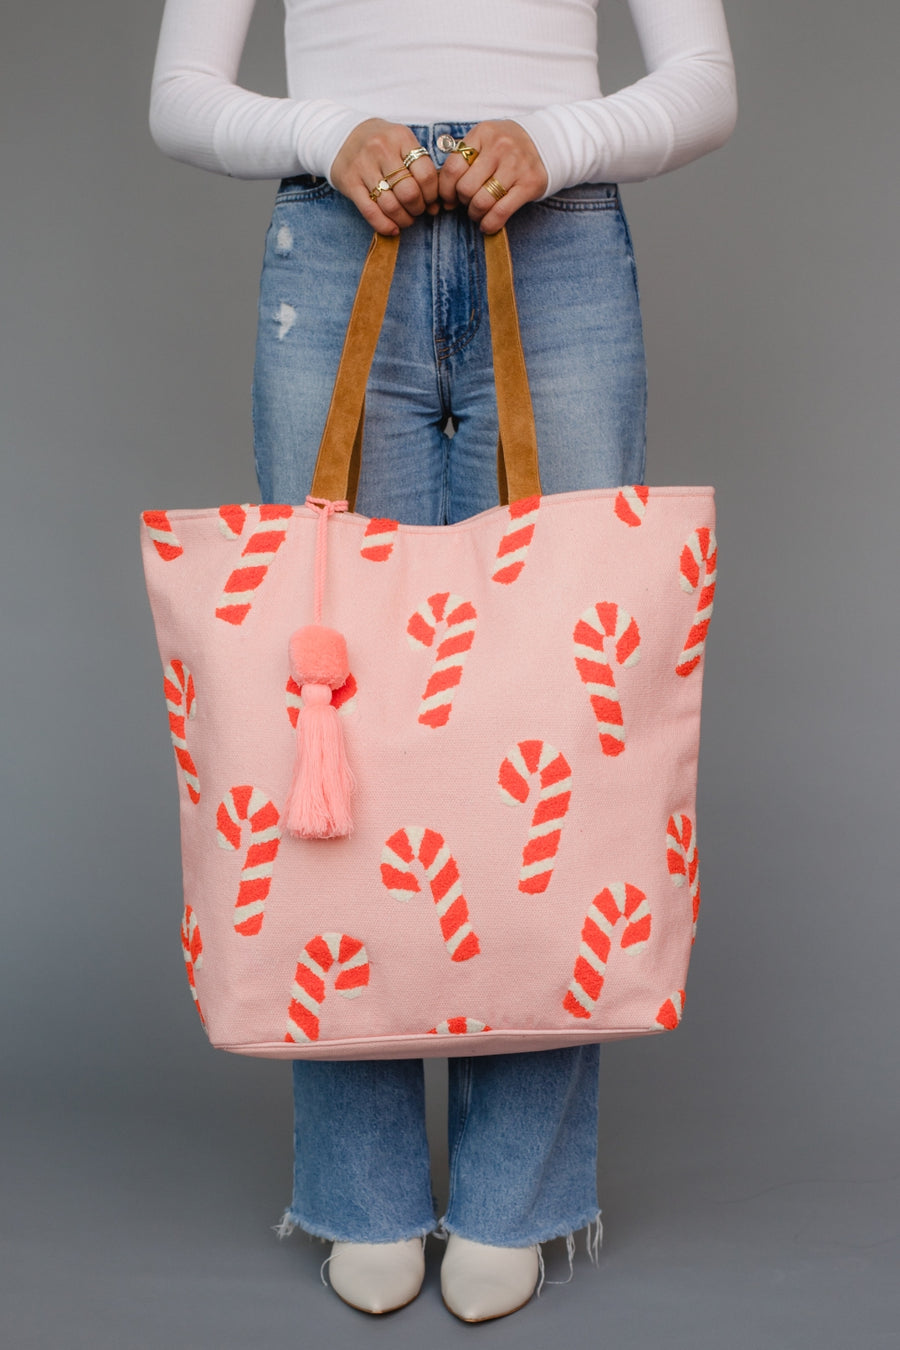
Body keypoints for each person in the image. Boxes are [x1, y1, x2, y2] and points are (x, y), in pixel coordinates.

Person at [148, 0, 737, 1323]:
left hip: (561, 235)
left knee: (555, 713)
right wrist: (325, 132)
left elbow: (704, 80)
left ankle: (517, 1195)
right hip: (333, 225)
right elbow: (179, 91)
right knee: (331, 697)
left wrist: (557, 139)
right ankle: (358, 1187)